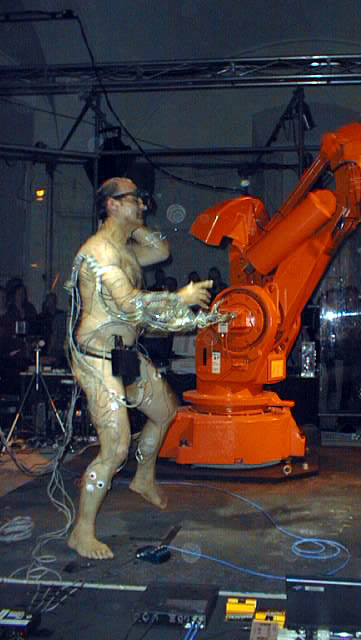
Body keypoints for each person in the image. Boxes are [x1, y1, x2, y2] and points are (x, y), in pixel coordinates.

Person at [65, 177, 229, 560]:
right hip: (97, 356)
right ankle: (81, 532)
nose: (142, 205)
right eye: (134, 200)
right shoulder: (99, 252)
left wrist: (133, 221)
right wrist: (180, 298)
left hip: (123, 353)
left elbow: (161, 249)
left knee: (166, 411)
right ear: (111, 204)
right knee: (116, 447)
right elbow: (129, 305)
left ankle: (142, 477)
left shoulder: (126, 250)